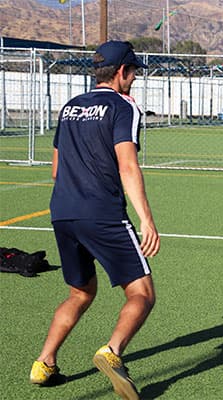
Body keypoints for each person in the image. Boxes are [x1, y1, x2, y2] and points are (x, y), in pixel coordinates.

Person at [30, 41, 160, 400]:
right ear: (121, 73)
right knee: (141, 293)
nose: (134, 79)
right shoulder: (123, 106)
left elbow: (57, 169)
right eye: (133, 72)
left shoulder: (70, 106)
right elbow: (127, 164)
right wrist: (146, 220)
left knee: (80, 291)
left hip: (62, 212)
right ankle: (112, 352)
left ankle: (44, 363)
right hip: (101, 213)